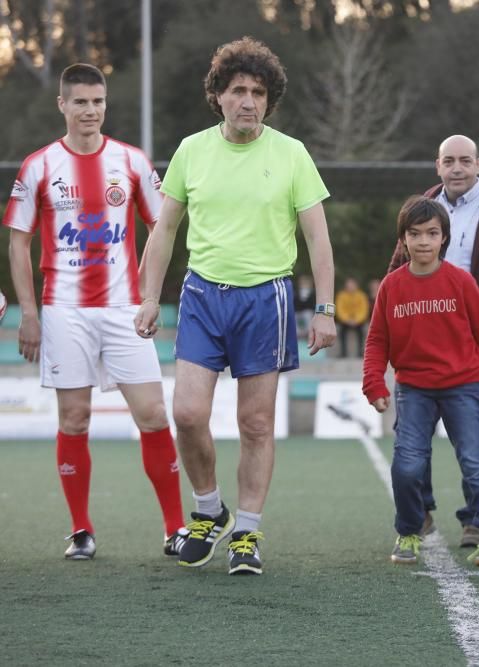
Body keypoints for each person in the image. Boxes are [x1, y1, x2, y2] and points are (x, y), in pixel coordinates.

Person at [135, 38, 337, 575]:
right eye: (238, 91)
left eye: (258, 93)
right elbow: (165, 230)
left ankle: (246, 531)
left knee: (255, 423)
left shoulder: (291, 153)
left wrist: (326, 308)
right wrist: (150, 298)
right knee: (187, 412)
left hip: (265, 299)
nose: (248, 101)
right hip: (202, 296)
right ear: (218, 96)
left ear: (269, 101)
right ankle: (208, 509)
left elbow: (317, 237)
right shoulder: (191, 150)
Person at [3, 63, 186, 560]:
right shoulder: (38, 165)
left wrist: (150, 295)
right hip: (63, 312)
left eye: (97, 102)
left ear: (106, 105)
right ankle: (81, 529)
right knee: (76, 418)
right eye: (80, 102)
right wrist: (29, 312)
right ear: (62, 104)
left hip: (125, 309)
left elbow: (162, 227)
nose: (90, 110)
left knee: (152, 414)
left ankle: (175, 529)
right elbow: (17, 243)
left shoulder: (130, 161)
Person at [387, 134, 479, 547]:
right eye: (449, 161)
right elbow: (396, 269)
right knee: (411, 438)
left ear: (478, 165)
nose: (456, 168)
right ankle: (422, 512)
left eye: (464, 161)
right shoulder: (421, 211)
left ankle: (477, 519)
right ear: (437, 166)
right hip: (421, 346)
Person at [365, 196, 479, 567]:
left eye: (431, 233)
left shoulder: (461, 282)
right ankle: (409, 530)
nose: (423, 241)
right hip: (413, 390)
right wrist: (374, 383)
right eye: (414, 234)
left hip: (462, 387)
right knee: (407, 465)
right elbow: (377, 340)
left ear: (444, 239)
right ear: (403, 239)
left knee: (476, 463)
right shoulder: (391, 287)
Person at [334, 277, 370, 357]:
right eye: (348, 285)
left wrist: (357, 320)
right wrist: (347, 320)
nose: (350, 287)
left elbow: (364, 310)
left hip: (358, 321)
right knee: (342, 332)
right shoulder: (341, 295)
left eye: (352, 285)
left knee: (361, 332)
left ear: (356, 285)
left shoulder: (361, 295)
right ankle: (343, 353)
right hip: (345, 321)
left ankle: (361, 352)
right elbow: (339, 310)